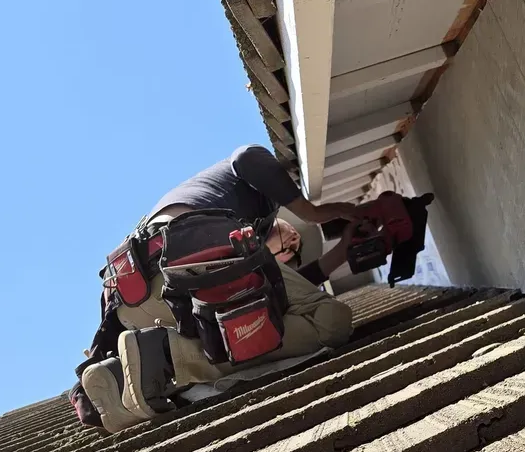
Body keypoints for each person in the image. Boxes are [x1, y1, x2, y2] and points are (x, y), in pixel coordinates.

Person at [76, 146, 377, 432]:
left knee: (243, 326)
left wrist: (343, 251)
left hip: (133, 295)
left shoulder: (223, 214)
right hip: (187, 257)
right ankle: (169, 357)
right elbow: (248, 156)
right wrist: (312, 212)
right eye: (292, 243)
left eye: (293, 257)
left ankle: (121, 379)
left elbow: (291, 295)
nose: (291, 252)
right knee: (331, 320)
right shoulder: (251, 196)